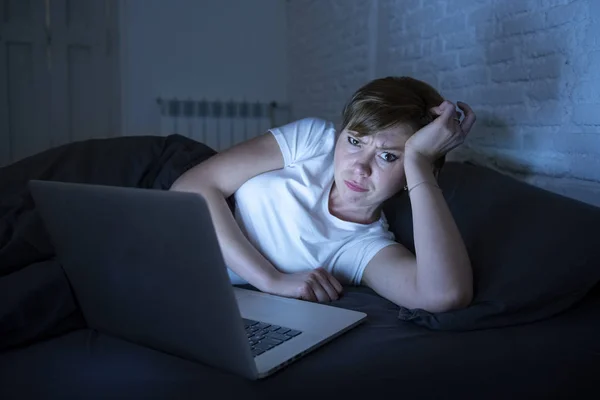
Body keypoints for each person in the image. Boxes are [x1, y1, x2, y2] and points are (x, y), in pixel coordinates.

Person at [169, 76, 476, 313]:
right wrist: (270, 279)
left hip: (185, 275)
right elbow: (190, 187)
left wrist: (419, 160)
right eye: (355, 141)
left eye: (388, 156)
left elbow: (444, 294)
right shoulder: (315, 140)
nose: (359, 168)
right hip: (168, 199)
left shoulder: (361, 248)